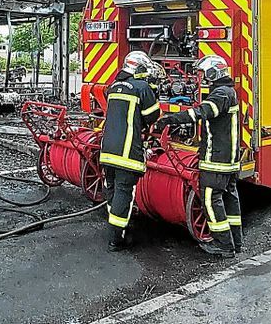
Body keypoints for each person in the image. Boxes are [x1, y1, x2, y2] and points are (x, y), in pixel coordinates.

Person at [156, 54, 243, 257]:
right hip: (228, 159)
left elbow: (201, 112)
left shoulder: (221, 94)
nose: (203, 78)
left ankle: (223, 244)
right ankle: (235, 241)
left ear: (214, 72)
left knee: (211, 199)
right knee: (230, 199)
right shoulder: (227, 91)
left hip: (217, 159)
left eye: (205, 73)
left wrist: (170, 119)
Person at [98, 50, 160, 251]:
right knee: (124, 193)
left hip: (107, 151)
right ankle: (116, 239)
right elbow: (152, 116)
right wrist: (152, 90)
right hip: (127, 154)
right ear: (139, 68)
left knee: (113, 189)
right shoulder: (141, 87)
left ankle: (116, 227)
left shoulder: (114, 86)